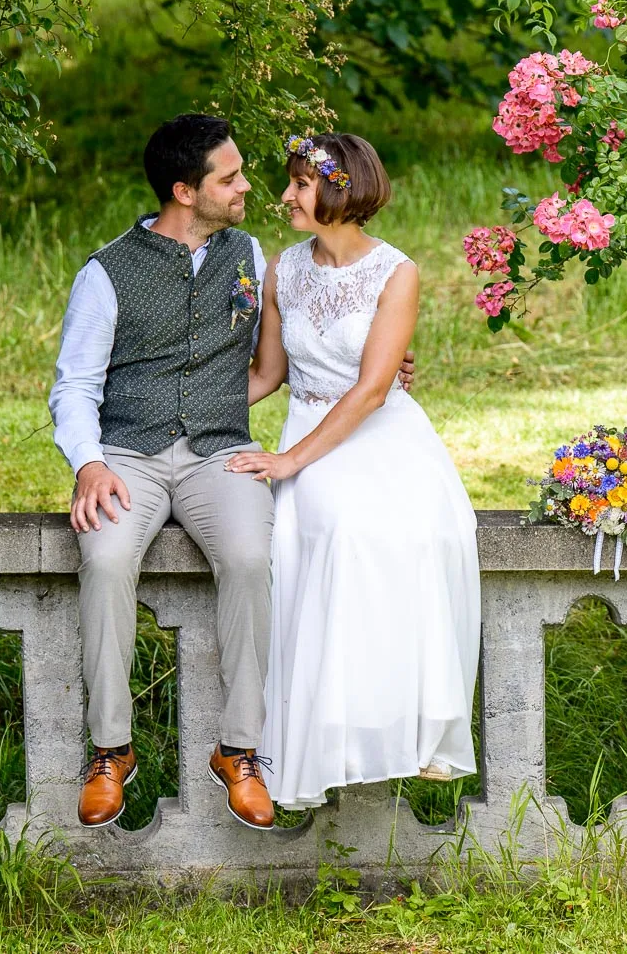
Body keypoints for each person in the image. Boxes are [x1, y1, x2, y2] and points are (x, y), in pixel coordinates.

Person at [48, 114, 414, 830]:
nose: (249, 186)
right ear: (185, 191)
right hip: (128, 454)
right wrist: (89, 463)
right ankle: (110, 749)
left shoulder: (249, 255)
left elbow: (287, 353)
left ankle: (239, 749)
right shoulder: (106, 272)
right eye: (231, 177)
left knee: (250, 556)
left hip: (221, 452)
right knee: (107, 557)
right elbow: (74, 386)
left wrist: (377, 366)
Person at [225, 133, 481, 810]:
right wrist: (183, 405)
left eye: (300, 184)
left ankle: (409, 724)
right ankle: (333, 732)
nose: (285, 196)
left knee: (420, 534)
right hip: (311, 425)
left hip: (381, 431)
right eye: (290, 182)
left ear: (340, 190)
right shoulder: (282, 270)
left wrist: (289, 461)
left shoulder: (397, 272)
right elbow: (267, 374)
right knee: (337, 529)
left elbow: (371, 390)